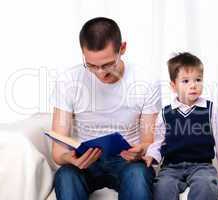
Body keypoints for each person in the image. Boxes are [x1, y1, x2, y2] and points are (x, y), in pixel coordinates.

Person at [50, 17, 161, 200]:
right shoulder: (67, 81)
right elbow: (58, 150)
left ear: (122, 49)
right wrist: (69, 158)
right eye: (92, 65)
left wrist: (141, 150)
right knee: (66, 175)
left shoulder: (146, 80)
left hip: (128, 163)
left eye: (108, 64)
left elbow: (149, 140)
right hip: (86, 163)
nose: (101, 73)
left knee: (138, 175)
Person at [143, 52, 218, 200]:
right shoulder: (165, 113)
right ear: (173, 86)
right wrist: (151, 155)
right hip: (171, 167)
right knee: (162, 187)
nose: (193, 85)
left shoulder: (209, 109)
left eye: (198, 79)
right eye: (185, 81)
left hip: (202, 166)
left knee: (206, 185)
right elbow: (159, 141)